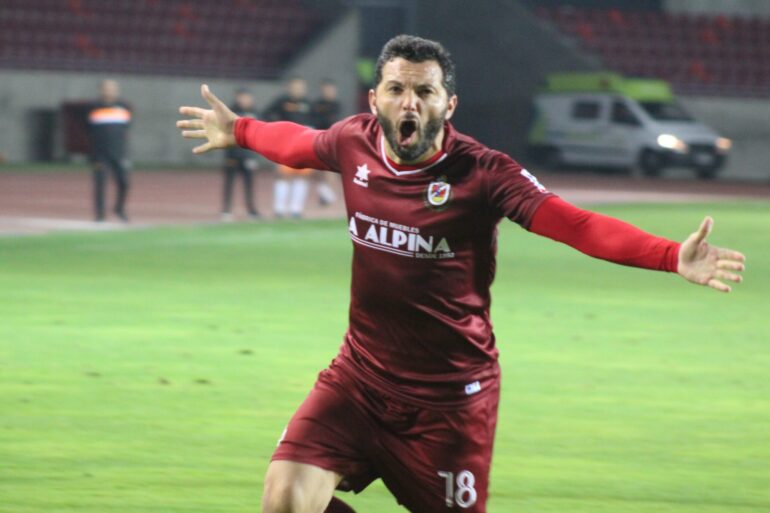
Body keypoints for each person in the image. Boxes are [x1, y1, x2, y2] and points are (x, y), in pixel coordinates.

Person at [177, 35, 746, 513]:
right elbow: (298, 144)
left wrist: (671, 255)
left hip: (450, 402)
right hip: (359, 379)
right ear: (375, 99)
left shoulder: (483, 173)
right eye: (396, 89)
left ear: (448, 105)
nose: (409, 103)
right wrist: (241, 130)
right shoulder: (353, 142)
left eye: (424, 91)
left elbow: (575, 225)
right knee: (285, 498)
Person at [263, 77, 314, 218]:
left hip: (304, 145)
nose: (298, 90)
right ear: (289, 87)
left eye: (301, 87)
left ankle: (296, 210)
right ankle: (279, 209)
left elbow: (316, 121)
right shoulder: (281, 102)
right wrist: (277, 129)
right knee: (283, 175)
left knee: (302, 177)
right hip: (286, 144)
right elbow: (266, 114)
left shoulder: (308, 104)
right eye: (295, 87)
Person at [88, 78, 132, 222]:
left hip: (119, 153)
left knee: (124, 182)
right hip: (100, 154)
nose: (110, 91)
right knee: (100, 184)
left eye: (113, 88)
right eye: (107, 88)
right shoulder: (93, 107)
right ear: (101, 90)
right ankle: (100, 215)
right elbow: (88, 130)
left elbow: (126, 129)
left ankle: (119, 208)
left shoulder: (124, 107)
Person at [221, 88, 260, 221]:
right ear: (237, 97)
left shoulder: (254, 112)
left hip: (248, 155)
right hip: (232, 154)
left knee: (249, 184)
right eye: (243, 97)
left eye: (248, 97)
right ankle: (226, 210)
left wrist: (253, 155)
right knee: (229, 183)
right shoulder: (230, 112)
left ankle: (251, 210)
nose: (246, 100)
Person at [311, 79, 341, 206]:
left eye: (331, 90)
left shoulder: (337, 105)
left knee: (331, 169)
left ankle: (325, 192)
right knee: (319, 169)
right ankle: (324, 192)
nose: (329, 92)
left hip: (332, 140)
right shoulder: (317, 105)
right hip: (318, 138)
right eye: (327, 89)